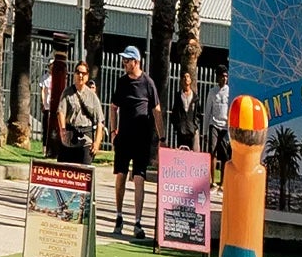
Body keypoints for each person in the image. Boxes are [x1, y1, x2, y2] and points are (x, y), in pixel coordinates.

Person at [107, 45, 161, 239]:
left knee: (139, 179)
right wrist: (114, 132)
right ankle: (119, 217)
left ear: (136, 62)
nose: (124, 63)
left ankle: (137, 222)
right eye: (124, 60)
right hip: (124, 139)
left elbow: (156, 110)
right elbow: (113, 107)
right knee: (120, 176)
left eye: (127, 60)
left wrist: (160, 137)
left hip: (142, 140)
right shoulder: (121, 83)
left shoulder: (148, 83)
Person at [56, 58, 102, 168]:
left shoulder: (92, 96)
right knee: (64, 172)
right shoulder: (67, 92)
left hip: (86, 138)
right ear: (74, 74)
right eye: (78, 72)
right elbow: (61, 112)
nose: (80, 76)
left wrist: (97, 142)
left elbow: (100, 121)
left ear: (87, 76)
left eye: (83, 73)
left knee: (84, 174)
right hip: (69, 137)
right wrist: (62, 130)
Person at [203, 64, 232, 183]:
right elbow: (207, 111)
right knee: (212, 151)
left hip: (225, 127)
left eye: (226, 76)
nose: (224, 79)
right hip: (214, 124)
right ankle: (212, 182)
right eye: (222, 76)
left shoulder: (230, 91)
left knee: (225, 155)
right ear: (218, 77)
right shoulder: (212, 92)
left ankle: (222, 183)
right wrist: (205, 132)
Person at [168, 66, 201, 150]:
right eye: (184, 77)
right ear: (181, 81)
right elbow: (174, 112)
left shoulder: (195, 97)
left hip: (191, 131)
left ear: (190, 80)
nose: (186, 78)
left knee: (191, 154)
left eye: (188, 76)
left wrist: (194, 126)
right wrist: (177, 126)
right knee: (181, 152)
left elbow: (198, 114)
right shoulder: (178, 96)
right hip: (181, 131)